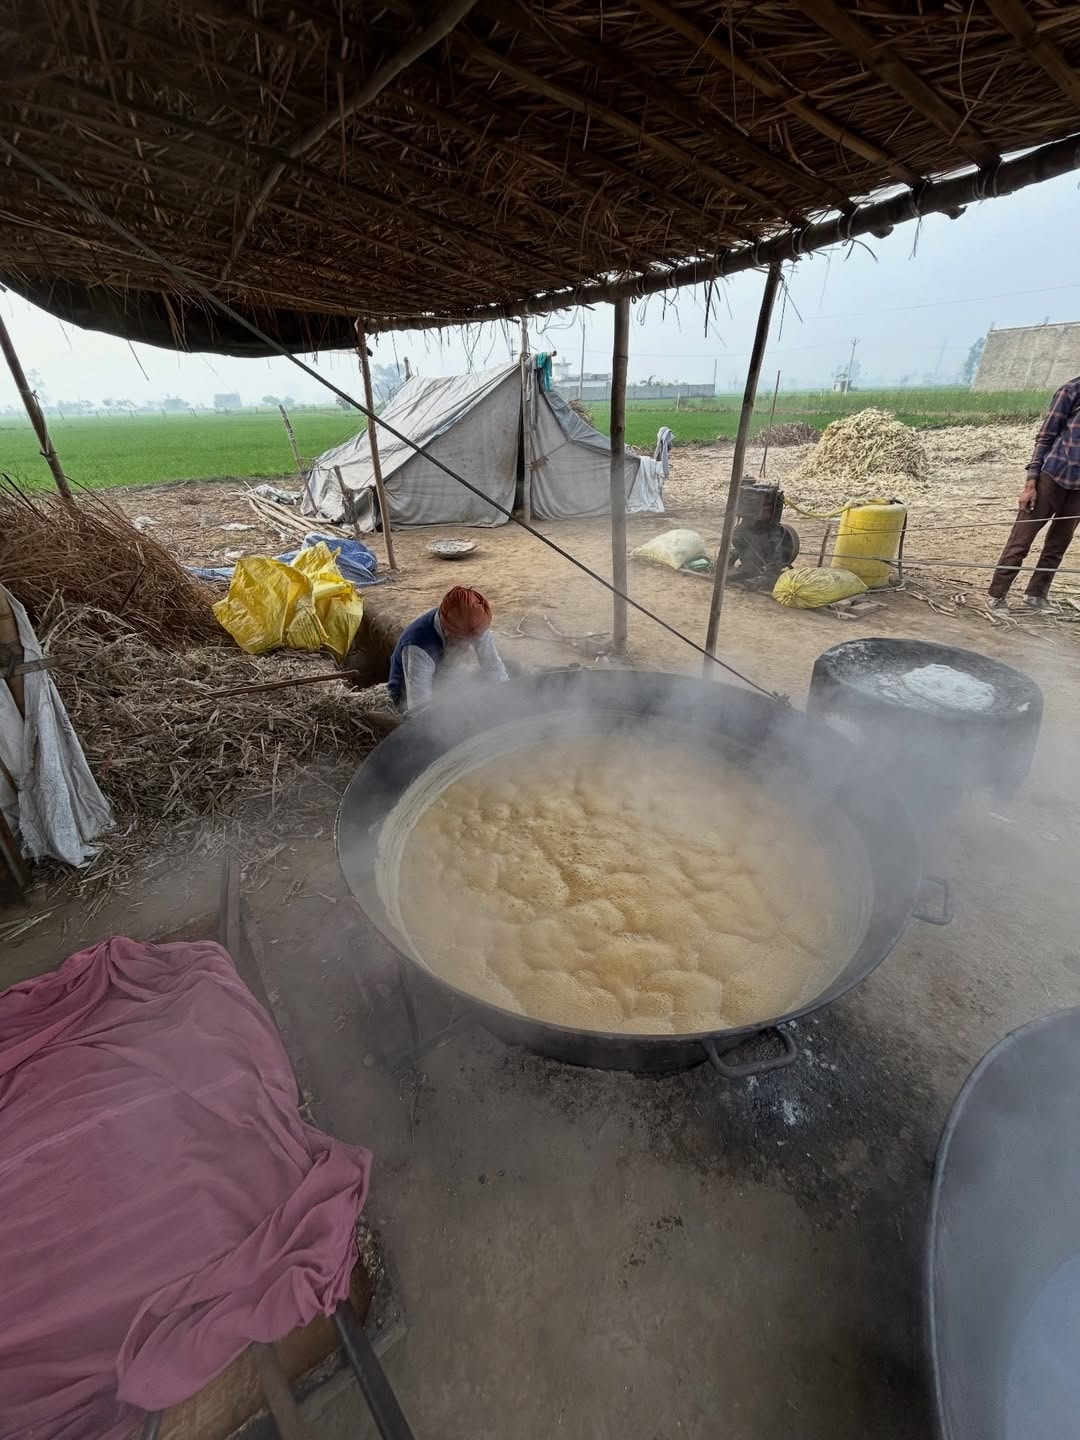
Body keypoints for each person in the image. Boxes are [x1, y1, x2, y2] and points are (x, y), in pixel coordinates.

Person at [988, 375, 1080, 610]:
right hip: (1052, 476)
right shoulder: (1070, 391)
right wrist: (1031, 483)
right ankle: (997, 595)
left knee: (1059, 543)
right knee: (1022, 539)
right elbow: (1046, 436)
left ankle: (1036, 595)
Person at [387, 586, 508, 714]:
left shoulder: (475, 623)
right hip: (408, 692)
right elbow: (419, 709)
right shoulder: (418, 646)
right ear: (446, 630)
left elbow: (493, 666)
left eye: (471, 640)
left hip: (447, 678)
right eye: (462, 640)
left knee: (510, 669)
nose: (467, 646)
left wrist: (505, 702)